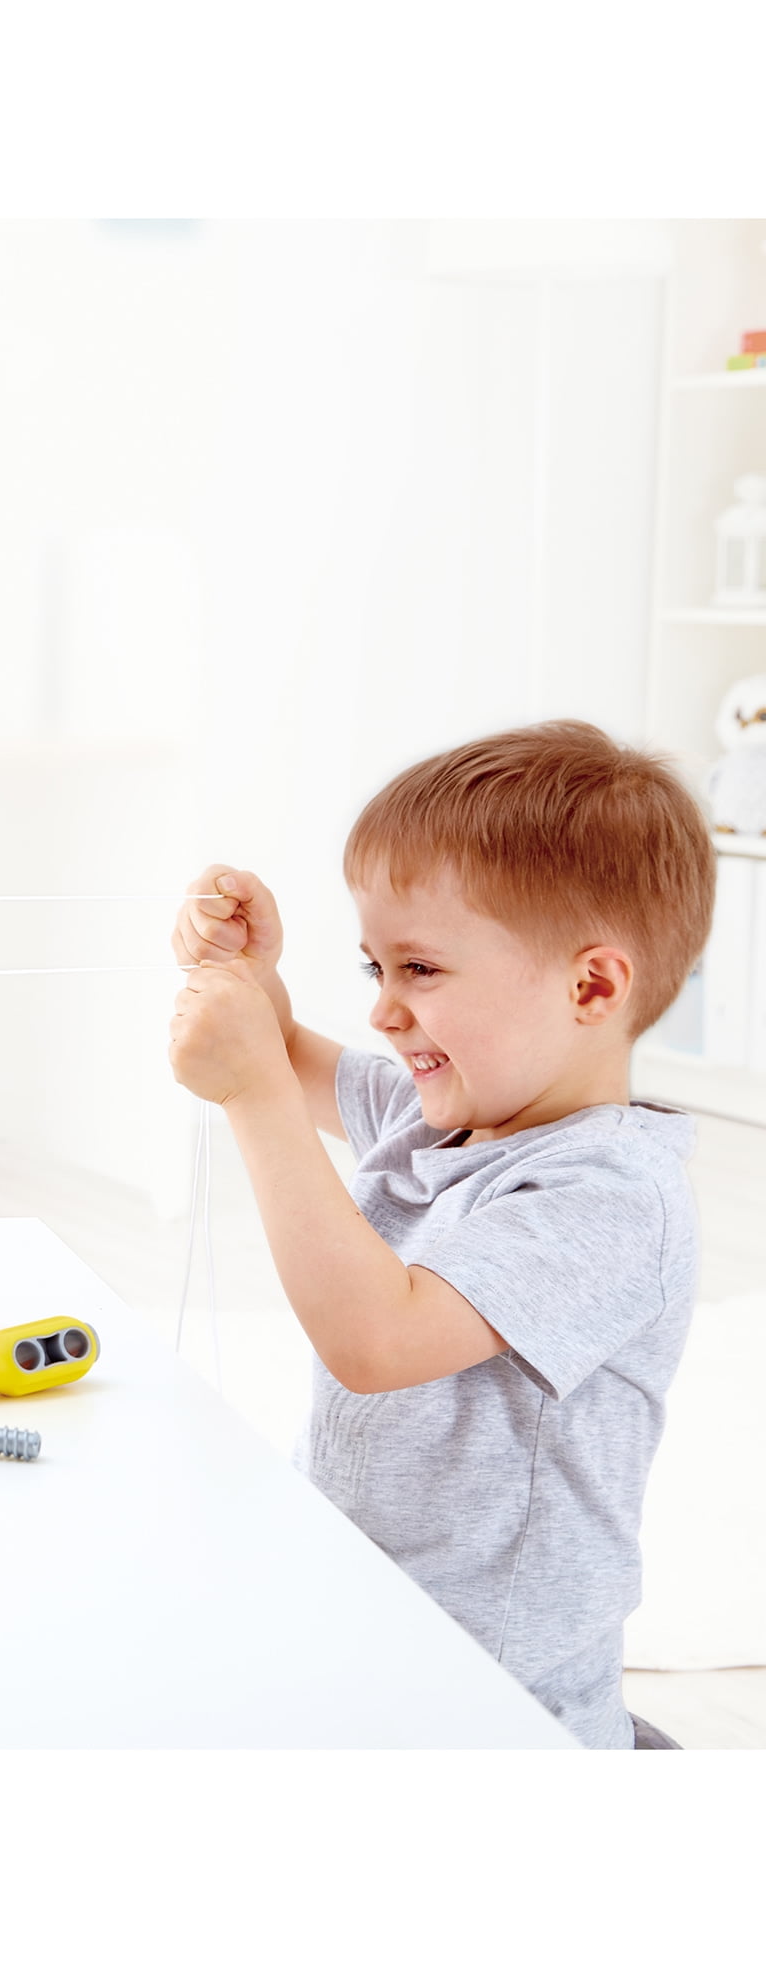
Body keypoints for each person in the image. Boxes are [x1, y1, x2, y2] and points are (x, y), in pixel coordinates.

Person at [168, 720, 714, 1748]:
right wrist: (250, 976)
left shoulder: (610, 1196)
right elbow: (284, 1053)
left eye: (418, 968)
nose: (382, 1011)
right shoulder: (448, 1116)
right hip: (371, 1638)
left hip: (495, 1707)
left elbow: (378, 1341)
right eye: (372, 966)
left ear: (591, 987)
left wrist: (250, 1093)